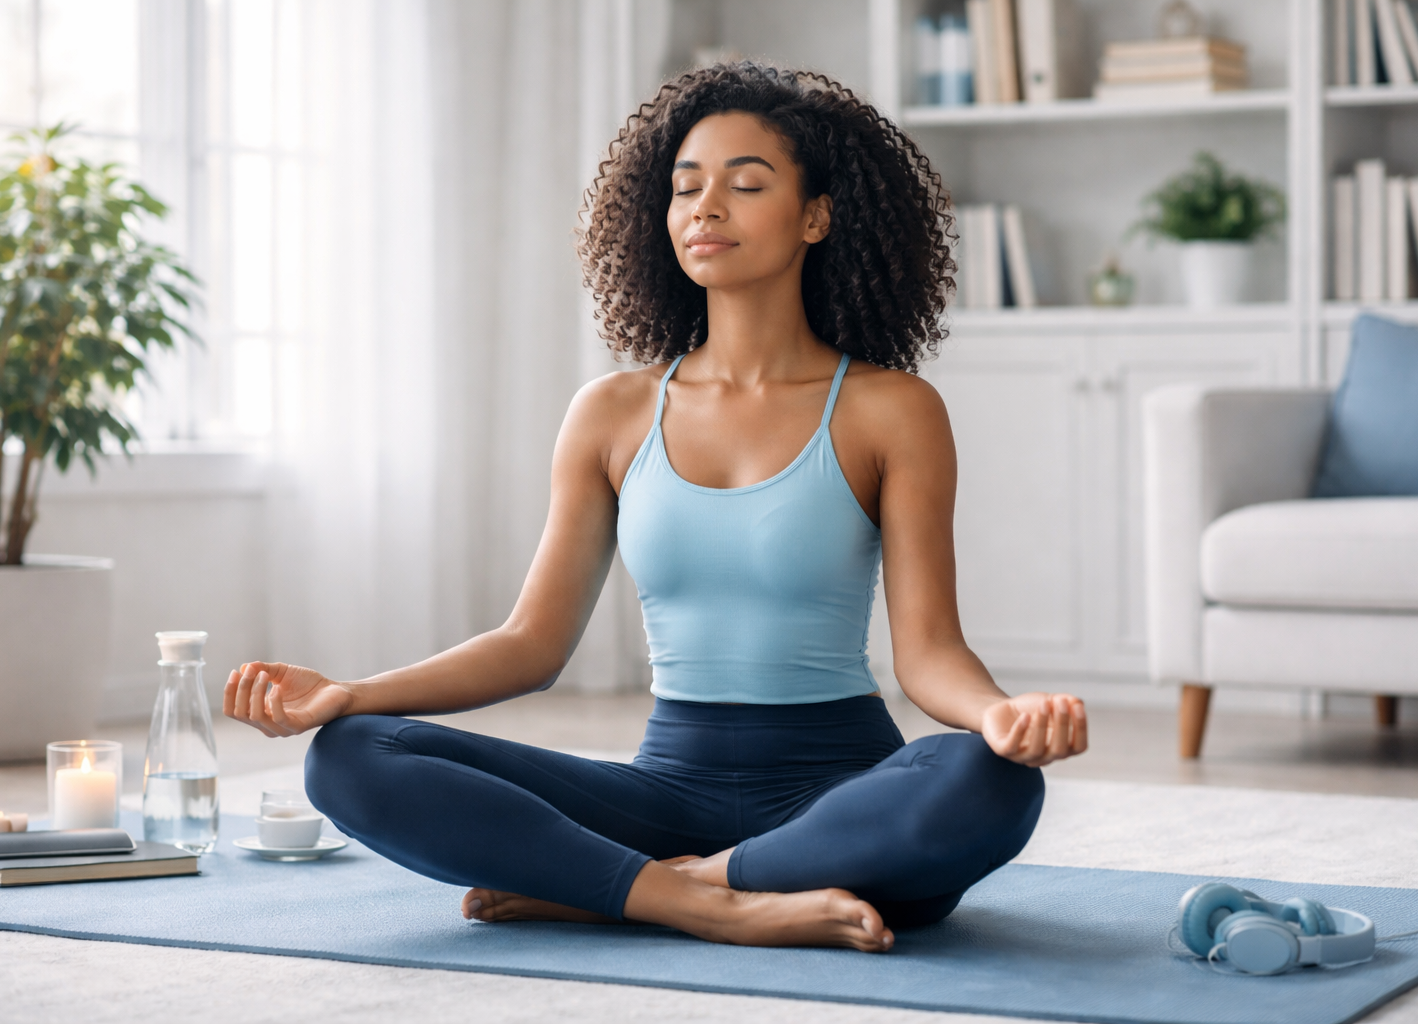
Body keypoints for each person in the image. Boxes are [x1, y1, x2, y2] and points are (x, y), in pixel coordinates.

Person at [225, 62, 1087, 953]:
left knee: (994, 778)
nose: (705, 207)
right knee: (352, 756)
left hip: (841, 792)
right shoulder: (612, 413)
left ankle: (643, 889)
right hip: (665, 793)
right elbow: (531, 644)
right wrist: (351, 693)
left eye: (746, 184)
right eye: (686, 188)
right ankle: (713, 900)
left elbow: (930, 653)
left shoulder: (891, 410)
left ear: (817, 216)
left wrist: (998, 717)